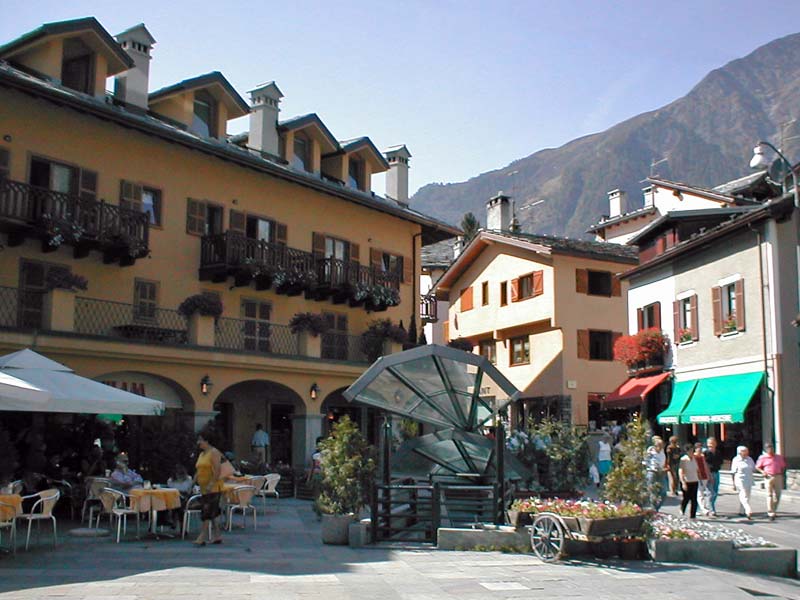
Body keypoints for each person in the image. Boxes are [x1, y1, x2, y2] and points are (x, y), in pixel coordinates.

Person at [191, 430, 224, 545]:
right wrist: (193, 482)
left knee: (207, 511)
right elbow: (199, 470)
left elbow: (217, 469)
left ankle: (202, 537)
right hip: (204, 487)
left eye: (200, 440)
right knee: (212, 512)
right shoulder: (202, 454)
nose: (198, 442)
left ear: (207, 441)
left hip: (213, 488)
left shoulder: (214, 452)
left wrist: (211, 483)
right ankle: (217, 536)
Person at [755, 443, 787, 521]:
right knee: (769, 495)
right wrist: (763, 472)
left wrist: (781, 475)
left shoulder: (779, 457)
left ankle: (774, 510)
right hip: (768, 476)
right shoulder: (763, 457)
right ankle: (770, 512)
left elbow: (783, 466)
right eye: (768, 448)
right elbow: (757, 467)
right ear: (766, 449)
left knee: (778, 495)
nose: (770, 449)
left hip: (778, 476)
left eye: (771, 448)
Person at [731, 445, 755, 520]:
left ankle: (741, 511)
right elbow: (733, 472)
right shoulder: (736, 460)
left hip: (748, 479)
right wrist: (733, 484)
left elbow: (753, 468)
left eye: (746, 451)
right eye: (744, 451)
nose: (746, 452)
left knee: (747, 496)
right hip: (740, 480)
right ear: (739, 452)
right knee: (743, 495)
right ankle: (748, 510)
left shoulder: (750, 459)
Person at [645, 436, 668, 511]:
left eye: (662, 445)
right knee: (652, 491)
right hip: (652, 472)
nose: (661, 447)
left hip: (661, 472)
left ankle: (657, 507)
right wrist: (652, 467)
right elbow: (645, 461)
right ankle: (654, 509)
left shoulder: (662, 452)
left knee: (664, 491)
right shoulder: (651, 451)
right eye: (659, 446)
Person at [678, 443, 699, 518]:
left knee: (694, 499)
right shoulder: (683, 459)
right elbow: (681, 471)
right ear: (687, 451)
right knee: (686, 498)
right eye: (690, 451)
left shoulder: (695, 458)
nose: (691, 452)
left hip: (694, 480)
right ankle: (682, 509)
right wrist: (683, 482)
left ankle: (693, 515)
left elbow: (697, 469)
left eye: (692, 451)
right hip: (687, 481)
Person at [703, 437, 723, 516]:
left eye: (712, 443)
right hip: (709, 473)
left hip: (716, 472)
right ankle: (711, 509)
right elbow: (705, 464)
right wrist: (708, 475)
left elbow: (720, 462)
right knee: (710, 492)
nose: (711, 445)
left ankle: (709, 505)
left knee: (715, 491)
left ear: (715, 444)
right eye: (709, 444)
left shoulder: (718, 452)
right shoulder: (705, 453)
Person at [693, 443, 711, 515]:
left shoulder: (702, 456)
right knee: (700, 493)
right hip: (697, 477)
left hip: (704, 476)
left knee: (703, 493)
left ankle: (698, 509)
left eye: (701, 448)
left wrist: (708, 475)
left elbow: (705, 465)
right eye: (699, 448)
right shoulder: (693, 457)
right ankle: (704, 509)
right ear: (695, 449)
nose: (700, 450)